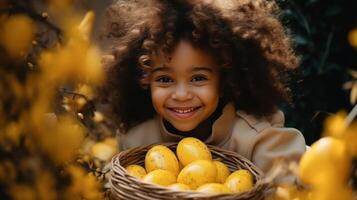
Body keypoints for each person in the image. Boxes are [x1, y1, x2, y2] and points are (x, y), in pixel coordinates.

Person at [102, 0, 306, 181]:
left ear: (225, 80)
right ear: (145, 80)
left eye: (198, 78)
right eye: (165, 79)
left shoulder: (259, 140)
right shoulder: (135, 138)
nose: (181, 95)